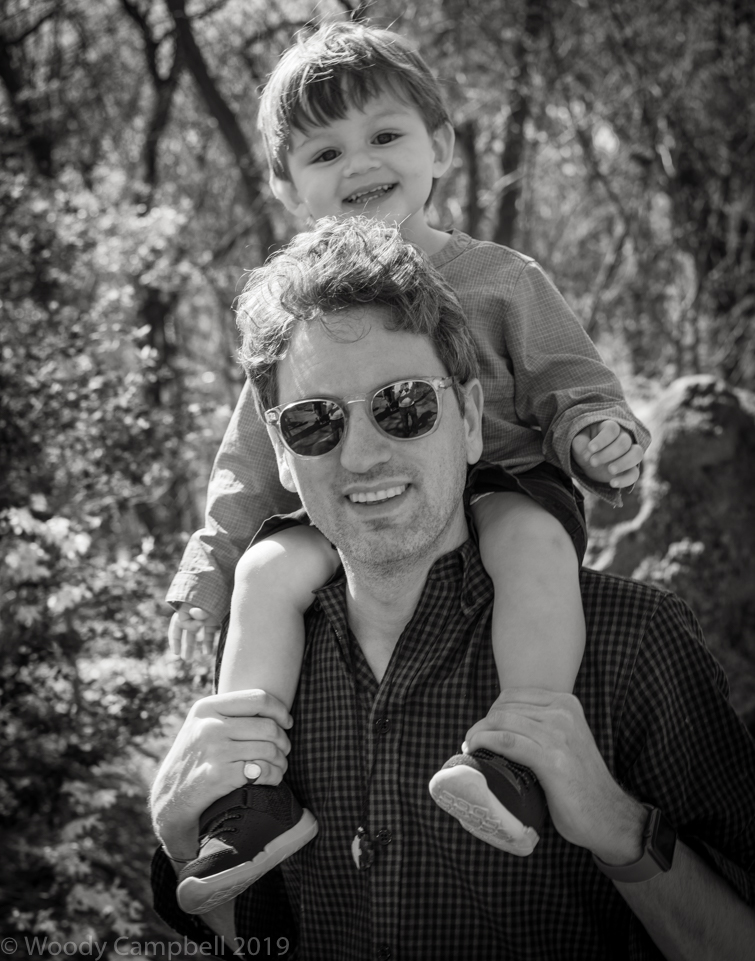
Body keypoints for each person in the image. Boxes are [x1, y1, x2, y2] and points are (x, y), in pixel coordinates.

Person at [150, 217, 755, 960]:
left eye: (404, 404)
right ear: (280, 449)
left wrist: (620, 829)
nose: (362, 454)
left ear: (469, 418)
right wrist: (179, 834)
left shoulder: (633, 645)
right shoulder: (264, 655)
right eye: (314, 423)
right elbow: (261, 940)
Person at [166, 20, 651, 906]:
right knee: (268, 572)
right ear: (287, 185)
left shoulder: (502, 278)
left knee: (529, 543)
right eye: (324, 152)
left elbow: (572, 383)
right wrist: (211, 566)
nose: (359, 164)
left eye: (384, 135)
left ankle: (513, 757)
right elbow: (252, 459)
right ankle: (251, 795)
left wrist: (592, 431)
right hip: (354, 498)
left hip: (500, 483)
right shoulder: (300, 317)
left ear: (440, 148)